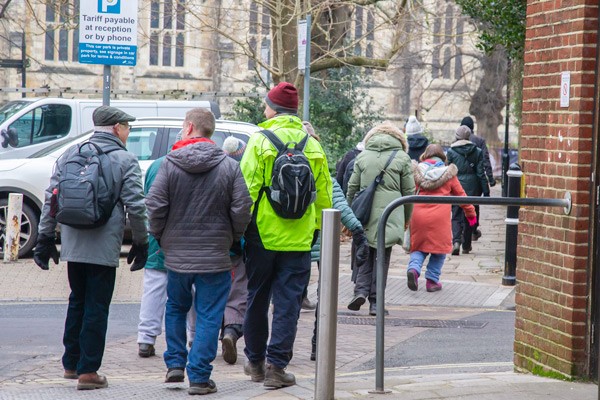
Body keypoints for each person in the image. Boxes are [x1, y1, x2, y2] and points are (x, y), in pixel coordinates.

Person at [33, 106, 149, 390]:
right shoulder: (125, 160)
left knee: (77, 300)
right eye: (127, 127)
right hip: (103, 244)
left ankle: (71, 363)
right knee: (97, 305)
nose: (128, 132)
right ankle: (88, 372)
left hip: (73, 242)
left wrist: (44, 238)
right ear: (117, 128)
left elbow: (52, 200)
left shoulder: (69, 155)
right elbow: (136, 205)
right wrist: (142, 241)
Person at [145, 108, 252, 395]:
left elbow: (154, 207)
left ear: (190, 127)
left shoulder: (169, 164)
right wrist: (233, 239)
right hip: (217, 255)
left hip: (176, 256)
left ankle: (176, 364)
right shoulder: (229, 166)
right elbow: (242, 208)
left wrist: (162, 238)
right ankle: (200, 377)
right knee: (208, 314)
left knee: (176, 308)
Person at [239, 82, 332, 388]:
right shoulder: (313, 145)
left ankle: (254, 363)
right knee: (288, 302)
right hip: (300, 238)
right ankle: (276, 368)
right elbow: (324, 197)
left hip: (262, 234)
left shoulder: (260, 141)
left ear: (273, 108)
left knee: (257, 295)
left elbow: (246, 190)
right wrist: (318, 230)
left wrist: (239, 228)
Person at [302, 121, 369, 361]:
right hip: (321, 241)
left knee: (286, 295)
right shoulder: (321, 171)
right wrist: (358, 231)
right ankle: (317, 344)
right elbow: (338, 201)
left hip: (287, 243)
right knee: (325, 294)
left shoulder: (276, 166)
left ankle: (277, 352)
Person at [346, 121, 415, 316]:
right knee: (382, 257)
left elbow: (352, 187)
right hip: (390, 212)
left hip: (364, 212)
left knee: (364, 250)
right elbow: (409, 191)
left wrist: (349, 215)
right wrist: (406, 218)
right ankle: (376, 303)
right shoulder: (402, 157)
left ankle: (360, 290)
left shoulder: (363, 156)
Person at [407, 144, 476, 292]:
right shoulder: (448, 174)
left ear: (425, 156)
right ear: (442, 157)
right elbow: (461, 196)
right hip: (440, 218)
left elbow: (406, 192)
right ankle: (432, 281)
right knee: (439, 250)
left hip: (418, 216)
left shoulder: (416, 172)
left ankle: (413, 270)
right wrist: (471, 214)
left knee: (418, 247)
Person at [446, 125, 490, 256]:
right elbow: (481, 173)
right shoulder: (477, 151)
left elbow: (448, 172)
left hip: (456, 187)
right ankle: (466, 245)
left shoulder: (451, 152)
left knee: (456, 215)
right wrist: (486, 191)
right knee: (470, 215)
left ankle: (456, 242)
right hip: (473, 188)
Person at [460, 116, 495, 242]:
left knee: (459, 207)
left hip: (459, 182)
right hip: (476, 182)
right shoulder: (479, 141)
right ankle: (473, 228)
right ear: (473, 127)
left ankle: (460, 233)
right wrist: (490, 179)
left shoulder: (456, 142)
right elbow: (486, 161)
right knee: (474, 206)